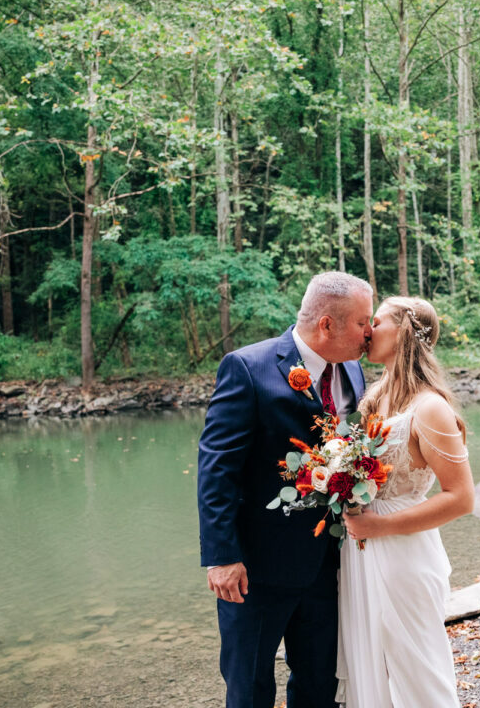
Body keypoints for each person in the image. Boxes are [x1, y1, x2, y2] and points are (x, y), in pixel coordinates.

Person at [198, 271, 373, 708]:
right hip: (257, 569)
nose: (370, 333)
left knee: (319, 684)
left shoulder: (353, 370)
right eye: (362, 322)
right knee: (251, 689)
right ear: (326, 324)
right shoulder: (248, 367)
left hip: (330, 565)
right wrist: (222, 557)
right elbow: (216, 470)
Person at [338, 296, 474, 708]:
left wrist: (379, 526)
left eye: (374, 322)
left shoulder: (430, 407)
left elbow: (462, 498)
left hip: (403, 551)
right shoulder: (372, 398)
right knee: (372, 667)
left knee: (417, 670)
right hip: (359, 552)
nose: (366, 331)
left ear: (399, 332)